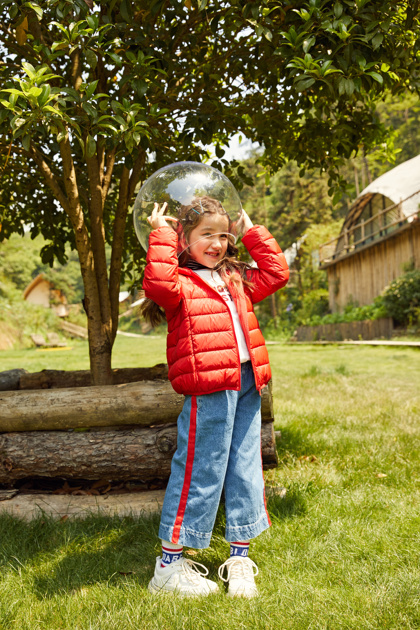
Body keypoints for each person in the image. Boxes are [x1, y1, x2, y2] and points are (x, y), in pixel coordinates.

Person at [141, 196, 289, 597]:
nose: (217, 243)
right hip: (208, 386)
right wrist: (162, 235)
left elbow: (276, 273)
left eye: (224, 235)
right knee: (200, 470)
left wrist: (252, 233)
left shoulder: (235, 276)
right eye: (207, 234)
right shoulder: (180, 282)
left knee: (245, 468)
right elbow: (157, 283)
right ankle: (168, 567)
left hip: (246, 381)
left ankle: (239, 558)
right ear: (185, 238)